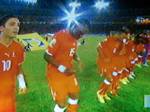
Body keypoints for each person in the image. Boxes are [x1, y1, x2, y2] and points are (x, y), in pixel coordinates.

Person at [44, 20, 90, 112]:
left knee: (74, 95)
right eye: (80, 33)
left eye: (83, 34)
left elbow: (72, 52)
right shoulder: (60, 36)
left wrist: (78, 60)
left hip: (68, 72)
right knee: (61, 103)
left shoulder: (75, 39)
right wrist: (63, 69)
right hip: (55, 73)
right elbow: (47, 56)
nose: (81, 36)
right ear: (74, 26)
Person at [0, 15, 27, 112]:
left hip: (9, 95)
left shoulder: (19, 48)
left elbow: (18, 66)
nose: (16, 27)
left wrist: (22, 83)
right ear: (2, 28)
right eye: (12, 24)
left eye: (18, 25)